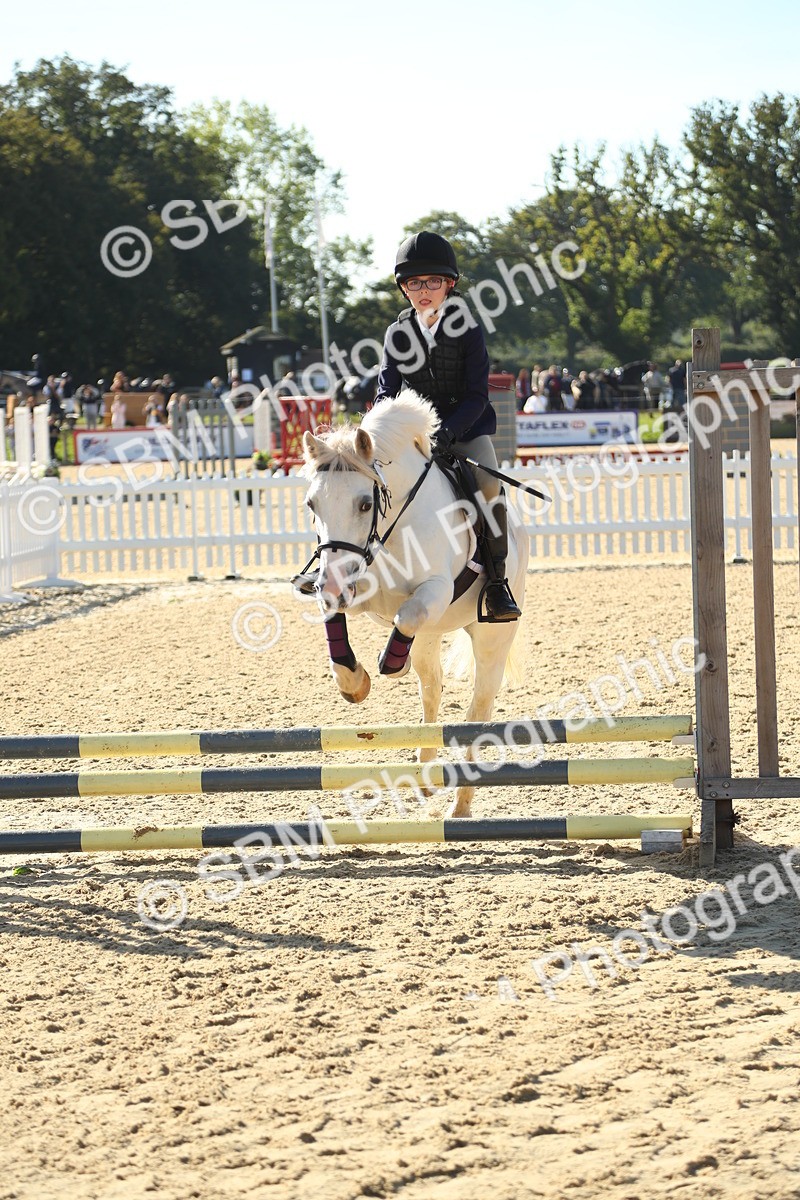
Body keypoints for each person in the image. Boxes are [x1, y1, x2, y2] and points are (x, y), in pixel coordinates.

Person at [374, 230, 521, 621]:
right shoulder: (397, 334)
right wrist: (381, 433)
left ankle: (497, 583)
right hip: (416, 434)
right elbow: (386, 393)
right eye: (414, 283)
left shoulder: (467, 328)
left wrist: (448, 433)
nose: (424, 291)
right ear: (403, 288)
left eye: (433, 282)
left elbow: (477, 395)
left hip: (466, 429)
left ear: (449, 284)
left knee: (488, 487)